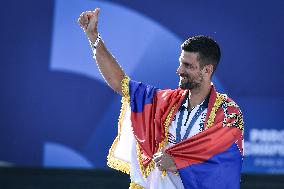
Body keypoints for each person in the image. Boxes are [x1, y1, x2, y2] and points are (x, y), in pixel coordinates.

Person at [78, 8, 244, 189]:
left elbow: (225, 167)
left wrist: (179, 163)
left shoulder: (227, 113)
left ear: (207, 70)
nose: (179, 70)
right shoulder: (164, 102)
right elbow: (121, 83)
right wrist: (93, 37)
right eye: (180, 63)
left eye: (187, 65)